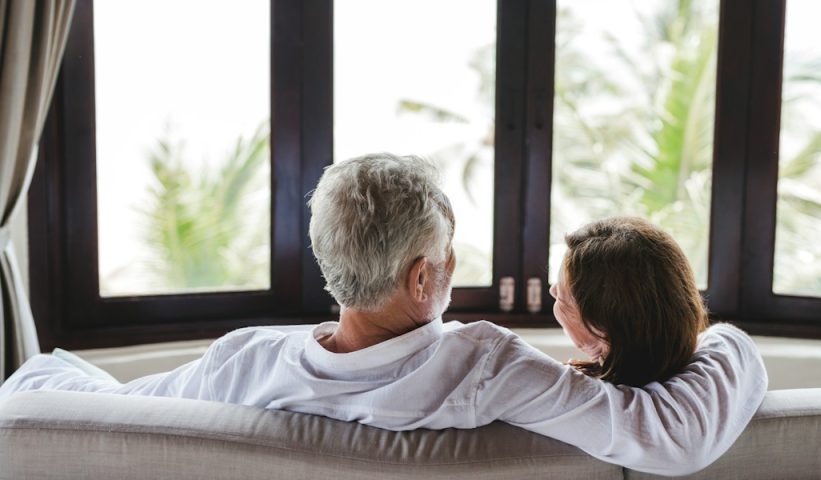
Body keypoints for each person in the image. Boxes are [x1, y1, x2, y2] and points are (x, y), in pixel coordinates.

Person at [0, 153, 767, 476]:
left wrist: (32, 379)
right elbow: (668, 434)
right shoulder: (478, 367)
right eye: (451, 254)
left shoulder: (244, 362)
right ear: (423, 277)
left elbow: (102, 412)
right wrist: (726, 335)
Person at [551, 216, 709, 386]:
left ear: (604, 333)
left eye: (562, 299)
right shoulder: (706, 359)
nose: (552, 291)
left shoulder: (596, 403)